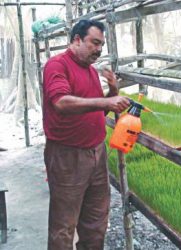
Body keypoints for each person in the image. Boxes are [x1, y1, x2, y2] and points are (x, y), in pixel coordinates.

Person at [42, 19, 130, 250]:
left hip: (96, 153)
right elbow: (61, 102)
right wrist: (107, 99)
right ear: (77, 39)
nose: (99, 49)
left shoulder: (90, 71)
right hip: (67, 156)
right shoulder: (57, 65)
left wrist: (112, 90)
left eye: (101, 45)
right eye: (94, 42)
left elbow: (95, 108)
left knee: (96, 221)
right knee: (64, 225)